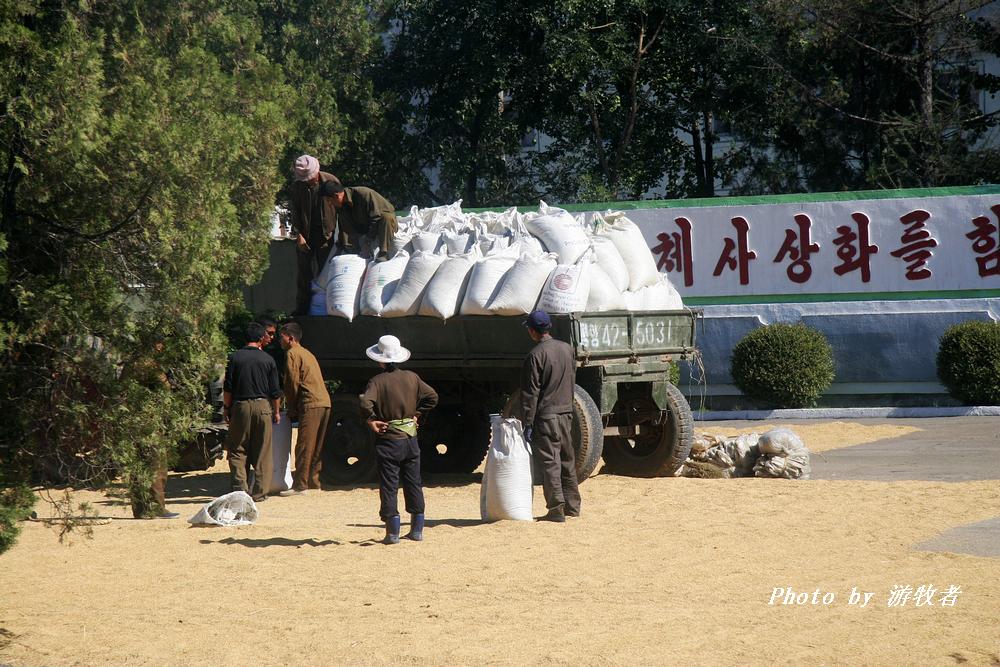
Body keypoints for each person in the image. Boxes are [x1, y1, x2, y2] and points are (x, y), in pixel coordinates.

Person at [359, 335, 438, 544]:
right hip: (410, 439)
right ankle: (417, 530)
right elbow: (433, 397)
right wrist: (417, 414)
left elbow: (365, 402)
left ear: (380, 359)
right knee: (414, 483)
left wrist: (371, 421)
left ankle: (392, 533)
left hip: (389, 440)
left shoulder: (376, 381)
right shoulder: (412, 377)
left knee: (389, 484)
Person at [520, 310, 581, 522]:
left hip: (546, 417)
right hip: (566, 413)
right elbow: (572, 381)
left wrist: (527, 422)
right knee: (567, 459)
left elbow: (530, 393)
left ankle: (556, 509)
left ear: (532, 331)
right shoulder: (567, 349)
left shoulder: (535, 355)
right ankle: (572, 506)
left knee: (550, 462)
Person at [222, 322, 282, 502]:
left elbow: (228, 387)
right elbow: (275, 391)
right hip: (263, 406)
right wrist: (276, 411)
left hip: (240, 406)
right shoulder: (268, 359)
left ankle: (240, 489)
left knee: (237, 449)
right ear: (260, 338)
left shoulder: (235, 358)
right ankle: (260, 492)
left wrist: (226, 408)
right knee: (263, 450)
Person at [122, 340, 179, 519]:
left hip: (133, 419)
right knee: (157, 464)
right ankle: (156, 507)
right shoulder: (150, 365)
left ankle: (140, 509)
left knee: (137, 465)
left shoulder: (130, 364)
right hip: (150, 420)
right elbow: (165, 389)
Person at [277, 322, 331, 494]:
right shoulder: (308, 353)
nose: (280, 341)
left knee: (304, 444)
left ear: (290, 338)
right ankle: (314, 481)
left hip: (311, 402)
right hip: (324, 402)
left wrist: (291, 405)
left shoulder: (292, 353)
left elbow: (292, 382)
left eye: (282, 337)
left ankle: (300, 485)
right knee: (317, 445)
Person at [288, 154, 342, 315]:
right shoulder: (297, 187)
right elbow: (295, 212)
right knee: (304, 275)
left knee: (326, 273)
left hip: (327, 236)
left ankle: (327, 308)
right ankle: (303, 309)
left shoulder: (331, 181)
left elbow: (341, 207)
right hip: (306, 235)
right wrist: (298, 234)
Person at [319, 181, 398, 260]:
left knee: (386, 217)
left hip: (382, 224)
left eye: (329, 200)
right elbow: (345, 226)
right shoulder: (341, 205)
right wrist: (343, 247)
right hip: (365, 227)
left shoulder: (363, 194)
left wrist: (367, 242)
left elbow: (376, 218)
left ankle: (383, 253)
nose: (329, 204)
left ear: (336, 196)